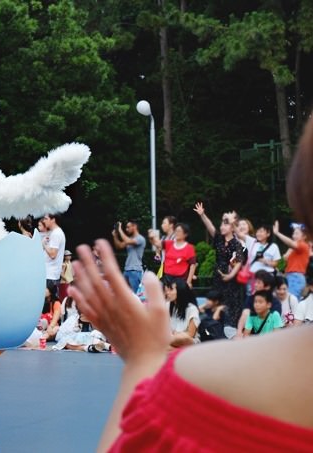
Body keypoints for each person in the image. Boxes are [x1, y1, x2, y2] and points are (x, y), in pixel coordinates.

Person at [67, 115, 313, 452]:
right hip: (209, 286)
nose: (229, 225)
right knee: (218, 310)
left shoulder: (198, 382)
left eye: (231, 223)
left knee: (220, 312)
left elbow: (222, 258)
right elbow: (205, 239)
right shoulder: (203, 242)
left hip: (222, 287)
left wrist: (142, 361)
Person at [194, 203, 244, 336]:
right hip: (218, 276)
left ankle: (230, 334)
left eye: (225, 224)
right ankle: (215, 331)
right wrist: (202, 215)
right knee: (216, 302)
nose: (222, 226)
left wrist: (230, 275)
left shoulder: (236, 243)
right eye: (221, 224)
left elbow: (239, 262)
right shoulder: (219, 240)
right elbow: (210, 228)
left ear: (232, 228)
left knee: (229, 306)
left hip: (231, 280)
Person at [148, 223, 196, 288]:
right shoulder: (169, 243)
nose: (176, 233)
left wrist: (189, 282)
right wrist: (151, 237)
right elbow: (157, 243)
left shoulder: (189, 248)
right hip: (167, 278)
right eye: (175, 231)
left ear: (185, 234)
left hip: (180, 279)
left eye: (179, 231)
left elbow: (192, 265)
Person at [273, 220, 310, 300]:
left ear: (304, 236)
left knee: (292, 301)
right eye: (293, 233)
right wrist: (285, 256)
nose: (293, 236)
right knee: (289, 302)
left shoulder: (303, 245)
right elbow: (280, 266)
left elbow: (291, 243)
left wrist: (277, 233)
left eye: (297, 233)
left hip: (296, 277)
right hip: (289, 276)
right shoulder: (292, 249)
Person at [163, 278, 200, 347]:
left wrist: (176, 335)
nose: (167, 293)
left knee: (182, 338)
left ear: (180, 291)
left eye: (171, 290)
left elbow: (190, 334)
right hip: (171, 338)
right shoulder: (167, 305)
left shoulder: (192, 309)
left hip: (188, 341)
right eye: (167, 290)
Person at [112, 220, 145, 290]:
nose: (127, 229)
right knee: (123, 293)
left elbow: (127, 241)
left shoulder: (140, 239)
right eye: (126, 228)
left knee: (135, 295)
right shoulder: (130, 239)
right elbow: (119, 246)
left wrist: (120, 229)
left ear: (134, 227)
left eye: (128, 227)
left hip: (135, 271)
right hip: (126, 270)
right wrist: (115, 236)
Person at [42, 214, 66, 300]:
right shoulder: (54, 233)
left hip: (50, 275)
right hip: (50, 274)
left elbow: (53, 254)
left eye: (46, 218)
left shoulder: (56, 233)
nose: (44, 221)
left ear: (53, 220)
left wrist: (44, 245)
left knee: (46, 302)